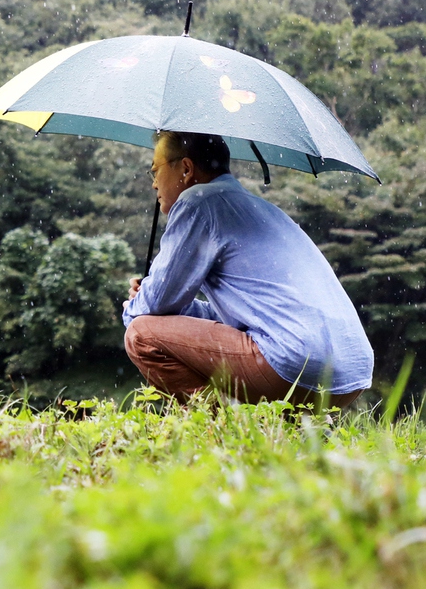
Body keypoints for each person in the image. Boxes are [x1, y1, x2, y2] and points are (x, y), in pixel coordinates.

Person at [122, 131, 373, 407]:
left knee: (142, 334)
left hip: (292, 364)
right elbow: (236, 314)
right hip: (350, 372)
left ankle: (221, 434)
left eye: (155, 170)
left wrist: (134, 307)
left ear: (186, 168)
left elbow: (156, 302)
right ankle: (302, 427)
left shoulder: (199, 203)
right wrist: (159, 301)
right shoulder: (265, 210)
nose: (154, 183)